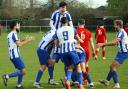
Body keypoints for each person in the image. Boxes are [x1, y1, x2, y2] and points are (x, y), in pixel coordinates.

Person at [54, 17, 84, 89]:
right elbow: (77, 38)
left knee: (69, 67)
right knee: (78, 67)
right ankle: (80, 85)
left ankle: (67, 81)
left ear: (61, 23)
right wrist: (80, 40)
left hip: (63, 52)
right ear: (67, 22)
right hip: (72, 50)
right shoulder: (72, 28)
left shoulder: (57, 31)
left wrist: (61, 45)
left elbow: (56, 43)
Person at [2, 21, 34, 89]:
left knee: (21, 70)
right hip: (15, 56)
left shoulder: (11, 34)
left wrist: (25, 39)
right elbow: (19, 44)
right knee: (23, 71)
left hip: (14, 55)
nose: (19, 26)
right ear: (14, 27)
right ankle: (6, 76)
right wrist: (28, 40)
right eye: (18, 25)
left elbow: (17, 42)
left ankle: (19, 86)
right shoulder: (14, 34)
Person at [97, 20, 128, 88]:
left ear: (118, 25)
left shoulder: (121, 32)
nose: (114, 26)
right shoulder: (118, 32)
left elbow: (114, 42)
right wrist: (104, 44)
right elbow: (115, 44)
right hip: (120, 52)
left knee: (113, 67)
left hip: (124, 52)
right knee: (112, 67)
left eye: (115, 25)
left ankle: (117, 84)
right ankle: (107, 81)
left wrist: (103, 44)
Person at [49, 1, 73, 84]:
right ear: (60, 7)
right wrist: (55, 31)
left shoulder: (68, 14)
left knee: (67, 64)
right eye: (63, 7)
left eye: (65, 7)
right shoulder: (55, 13)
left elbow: (71, 24)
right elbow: (51, 23)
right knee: (52, 62)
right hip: (57, 36)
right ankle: (51, 79)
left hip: (64, 41)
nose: (64, 9)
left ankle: (67, 80)